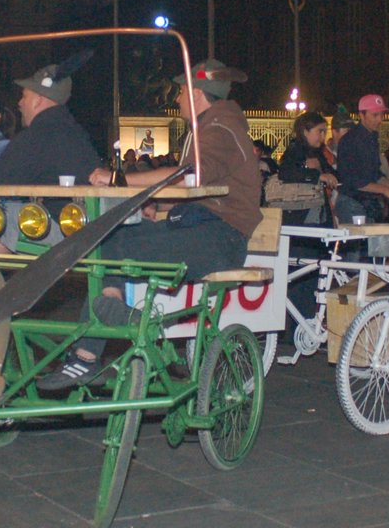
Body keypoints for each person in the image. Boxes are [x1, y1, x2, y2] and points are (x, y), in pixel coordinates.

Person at [39, 60, 262, 393]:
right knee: (107, 240)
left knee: (114, 244)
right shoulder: (210, 128)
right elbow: (205, 190)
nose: (179, 98)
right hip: (203, 231)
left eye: (183, 91)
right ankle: (111, 316)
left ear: (197, 94)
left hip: (219, 240)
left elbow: (191, 177)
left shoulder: (220, 130)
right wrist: (157, 205)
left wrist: (119, 179)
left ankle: (88, 355)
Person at [0, 57, 102, 252]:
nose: (19, 103)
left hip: (68, 232)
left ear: (39, 100)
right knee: (2, 227)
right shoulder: (73, 130)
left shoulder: (39, 134)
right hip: (90, 227)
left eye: (24, 96)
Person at [333, 94, 389, 223]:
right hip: (352, 203)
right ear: (361, 115)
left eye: (381, 115)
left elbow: (374, 174)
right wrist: (386, 190)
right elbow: (353, 180)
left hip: (366, 204)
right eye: (375, 115)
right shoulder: (352, 140)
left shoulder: (370, 138)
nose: (380, 120)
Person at [278, 109, 339, 225]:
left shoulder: (318, 152)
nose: (323, 137)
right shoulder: (295, 150)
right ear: (306, 131)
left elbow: (331, 174)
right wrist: (316, 175)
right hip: (300, 214)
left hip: (317, 212)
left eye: (325, 132)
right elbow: (285, 172)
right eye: (319, 131)